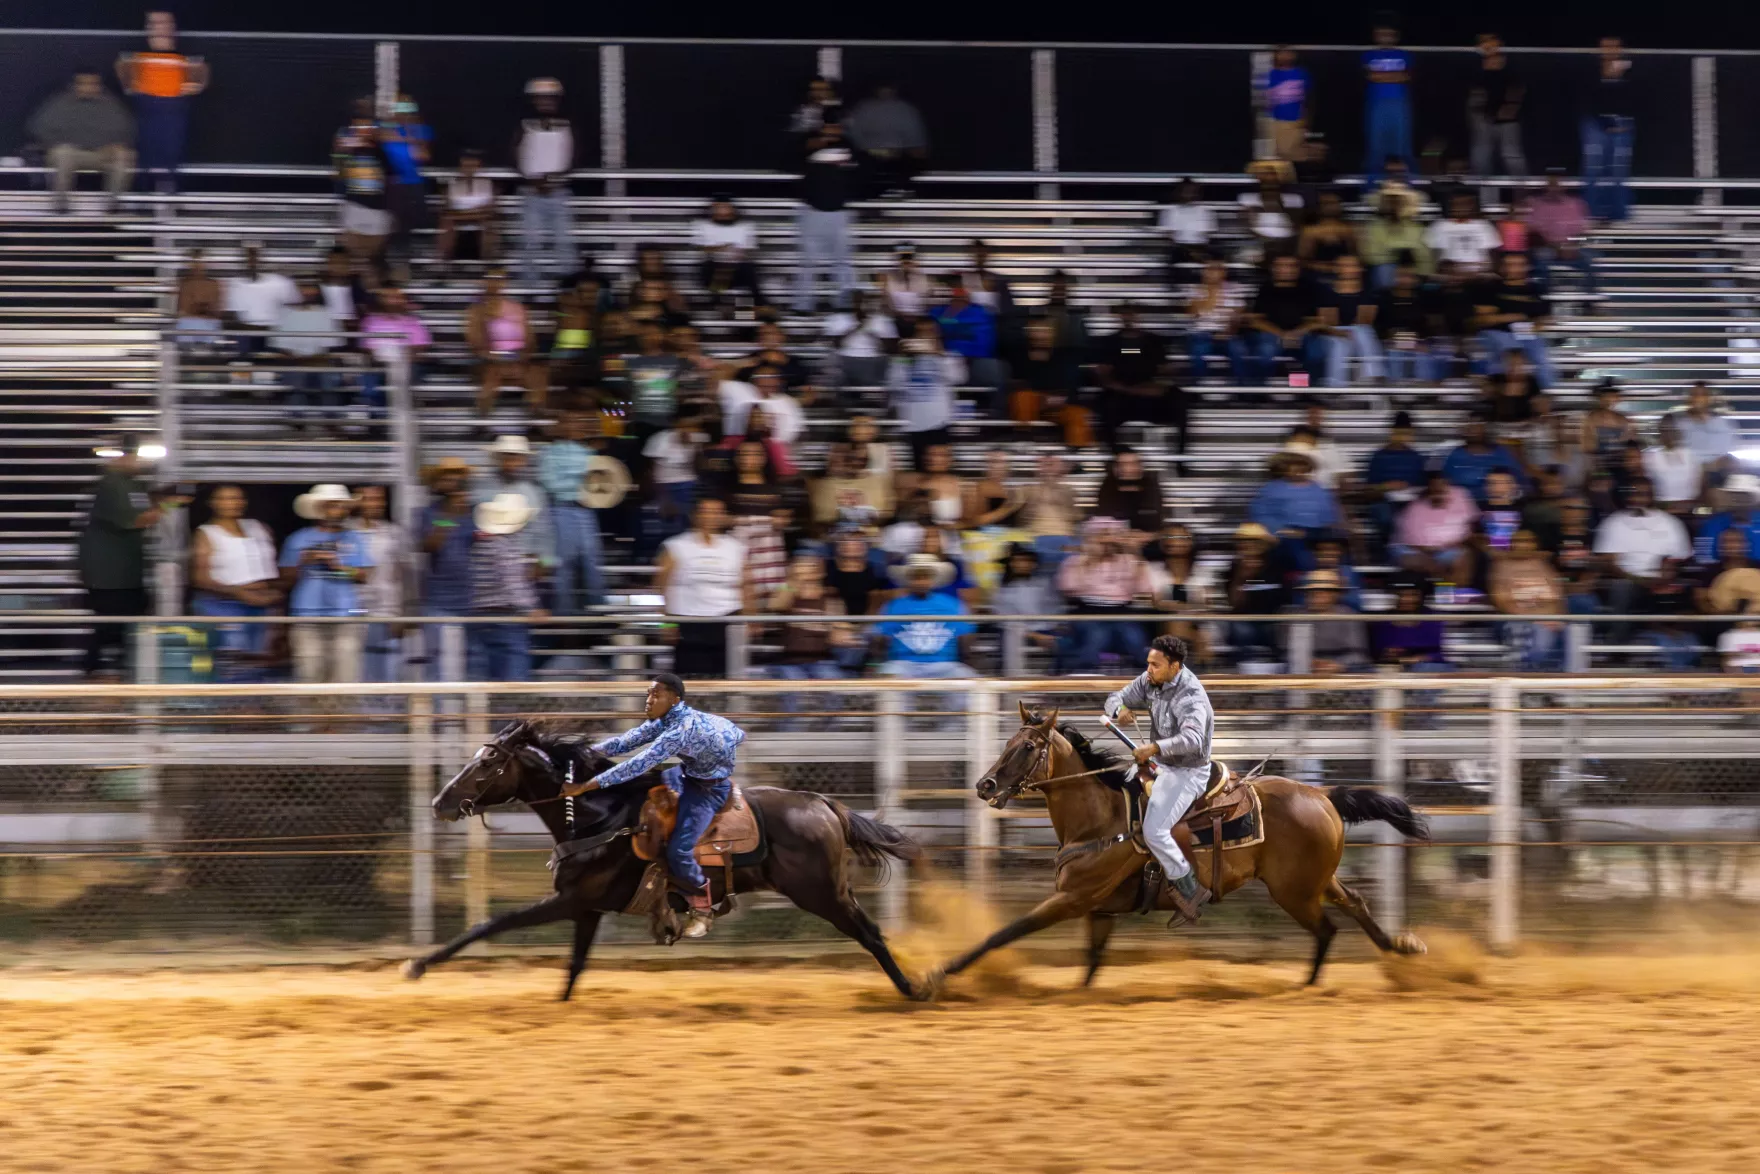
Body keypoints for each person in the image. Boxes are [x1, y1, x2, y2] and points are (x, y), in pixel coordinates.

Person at [563, 673, 746, 937]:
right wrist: (587, 752)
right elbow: (627, 741)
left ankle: (704, 906)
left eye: (655, 695)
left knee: (680, 851)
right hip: (687, 773)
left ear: (674, 699)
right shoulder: (668, 718)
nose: (648, 700)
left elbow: (639, 763)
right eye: (648, 694)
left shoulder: (680, 731)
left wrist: (586, 786)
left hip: (708, 790)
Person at [1104, 634, 1214, 924]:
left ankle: (1189, 888)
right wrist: (1120, 710)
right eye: (1148, 663)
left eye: (1155, 664)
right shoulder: (1150, 680)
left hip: (1187, 771)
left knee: (1154, 830)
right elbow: (1113, 698)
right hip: (1159, 765)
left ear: (1174, 666)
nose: (1148, 669)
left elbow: (1192, 739)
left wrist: (1154, 748)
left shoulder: (1191, 696)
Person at [78, 439, 160, 678]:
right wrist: (167, 506)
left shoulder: (134, 484)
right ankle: (91, 671)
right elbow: (134, 520)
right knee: (109, 623)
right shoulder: (111, 485)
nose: (142, 462)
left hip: (129, 572)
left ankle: (123, 671)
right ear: (123, 457)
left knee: (130, 619)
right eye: (138, 456)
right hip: (108, 574)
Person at [278, 484, 373, 684]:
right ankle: (310, 717)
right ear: (319, 508)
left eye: (342, 506)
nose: (338, 510)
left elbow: (363, 575)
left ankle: (343, 716)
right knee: (309, 673)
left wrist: (338, 566)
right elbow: (285, 579)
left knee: (346, 675)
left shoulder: (354, 538)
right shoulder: (298, 539)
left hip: (346, 615)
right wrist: (304, 560)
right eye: (333, 505)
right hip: (306, 615)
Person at [114, 11, 206, 193]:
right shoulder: (137, 50)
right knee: (146, 154)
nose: (159, 27)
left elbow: (201, 71)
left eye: (164, 22)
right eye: (154, 23)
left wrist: (195, 86)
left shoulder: (185, 52)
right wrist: (131, 86)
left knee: (171, 155)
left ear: (172, 26)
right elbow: (121, 66)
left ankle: (170, 196)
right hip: (147, 106)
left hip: (174, 108)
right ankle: (143, 198)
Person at [190, 485, 281, 671]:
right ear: (212, 503)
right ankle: (229, 701)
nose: (233, 503)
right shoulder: (206, 533)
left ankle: (253, 700)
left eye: (237, 498)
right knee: (231, 663)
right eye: (225, 498)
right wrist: (238, 592)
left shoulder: (258, 528)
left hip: (262, 605)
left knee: (258, 662)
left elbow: (271, 568)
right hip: (223, 606)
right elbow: (199, 577)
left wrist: (274, 595)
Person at [657, 498, 750, 678]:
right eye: (706, 511)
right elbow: (661, 587)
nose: (711, 516)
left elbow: (746, 585)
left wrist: (750, 618)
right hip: (688, 622)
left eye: (717, 512)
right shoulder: (675, 546)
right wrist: (667, 623)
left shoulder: (736, 547)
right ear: (695, 515)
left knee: (725, 678)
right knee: (688, 680)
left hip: (726, 621)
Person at [31, 70, 136, 213]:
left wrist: (116, 144)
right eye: (83, 83)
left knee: (124, 155)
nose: (88, 87)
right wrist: (58, 143)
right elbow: (38, 128)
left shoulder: (111, 105)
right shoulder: (61, 103)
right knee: (63, 153)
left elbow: (127, 130)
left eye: (93, 84)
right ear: (75, 85)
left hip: (101, 153)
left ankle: (113, 203)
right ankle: (61, 204)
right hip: (72, 153)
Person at [1056, 518, 1152, 674]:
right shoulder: (1076, 561)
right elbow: (1068, 587)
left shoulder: (1130, 561)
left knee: (1133, 638)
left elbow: (1144, 589)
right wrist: (1089, 561)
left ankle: (1149, 682)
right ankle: (1082, 678)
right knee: (1097, 635)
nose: (1106, 541)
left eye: (1110, 535)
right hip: (1087, 611)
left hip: (1121, 612)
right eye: (1101, 535)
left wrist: (1136, 556)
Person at [467, 493, 544, 682]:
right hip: (506, 617)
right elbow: (512, 582)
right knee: (513, 674)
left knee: (486, 673)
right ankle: (512, 709)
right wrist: (532, 607)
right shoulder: (506, 547)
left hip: (480, 615)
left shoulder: (480, 546)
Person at [537, 410, 608, 614]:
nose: (572, 426)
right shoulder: (549, 453)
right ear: (559, 425)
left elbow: (601, 480)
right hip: (562, 509)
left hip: (586, 510)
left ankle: (599, 611)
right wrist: (578, 490)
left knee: (592, 559)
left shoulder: (589, 453)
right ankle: (564, 614)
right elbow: (549, 482)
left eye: (576, 422)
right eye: (567, 421)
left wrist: (591, 494)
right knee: (565, 562)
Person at [1594, 477, 1692, 614]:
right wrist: (1637, 580)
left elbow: (1680, 558)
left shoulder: (1671, 523)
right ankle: (1618, 635)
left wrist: (1666, 575)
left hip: (1664, 582)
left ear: (1652, 496)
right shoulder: (1613, 523)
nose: (1638, 499)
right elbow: (1609, 562)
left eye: (1643, 494)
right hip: (1628, 582)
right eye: (1634, 494)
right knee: (1622, 588)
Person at [872, 553, 977, 680]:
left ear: (933, 579)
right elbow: (881, 639)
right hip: (903, 664)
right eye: (916, 577)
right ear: (909, 580)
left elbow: (965, 638)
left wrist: (966, 661)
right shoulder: (894, 606)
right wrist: (875, 663)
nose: (921, 582)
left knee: (969, 680)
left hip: (944, 664)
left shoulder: (953, 605)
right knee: (888, 676)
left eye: (925, 577)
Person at [797, 109, 858, 312]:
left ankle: (844, 303)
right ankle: (803, 305)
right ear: (822, 126)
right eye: (829, 125)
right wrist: (817, 143)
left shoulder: (848, 145)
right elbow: (790, 164)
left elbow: (859, 171)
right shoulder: (808, 143)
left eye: (836, 125)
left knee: (842, 261)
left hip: (839, 212)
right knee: (807, 263)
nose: (833, 129)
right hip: (811, 211)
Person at [1095, 304, 1177, 451]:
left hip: (1148, 393)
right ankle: (1115, 454)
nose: (1128, 317)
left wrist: (1160, 384)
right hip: (1120, 394)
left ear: (1138, 316)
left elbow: (1165, 369)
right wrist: (1120, 386)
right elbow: (1103, 371)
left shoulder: (1153, 341)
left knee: (1178, 399)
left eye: (1132, 314)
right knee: (1106, 406)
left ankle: (1180, 460)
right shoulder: (1109, 342)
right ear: (1119, 317)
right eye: (1125, 314)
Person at [515, 77, 575, 281]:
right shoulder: (524, 125)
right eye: (541, 98)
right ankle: (530, 288)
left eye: (550, 98)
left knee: (564, 240)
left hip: (559, 192)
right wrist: (532, 179)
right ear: (533, 101)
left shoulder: (568, 125)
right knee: (530, 241)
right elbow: (515, 155)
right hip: (532, 193)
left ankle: (568, 287)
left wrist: (555, 178)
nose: (546, 102)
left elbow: (575, 155)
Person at [465, 269, 542, 425]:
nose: (495, 283)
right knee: (491, 379)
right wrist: (499, 357)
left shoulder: (517, 307)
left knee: (538, 378)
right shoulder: (476, 310)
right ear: (484, 282)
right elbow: (475, 344)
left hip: (518, 359)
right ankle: (481, 425)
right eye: (491, 279)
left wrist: (519, 357)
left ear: (505, 282)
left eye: (499, 279)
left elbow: (530, 340)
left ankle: (535, 423)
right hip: (490, 361)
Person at [886, 317, 964, 470]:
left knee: (943, 471)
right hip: (913, 424)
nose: (925, 336)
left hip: (939, 423)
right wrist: (903, 358)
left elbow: (958, 378)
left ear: (938, 334)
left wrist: (939, 353)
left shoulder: (948, 356)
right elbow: (894, 383)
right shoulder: (903, 359)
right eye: (921, 332)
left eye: (930, 332)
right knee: (919, 473)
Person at [352, 484, 412, 683]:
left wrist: (401, 614)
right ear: (357, 502)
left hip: (386, 611)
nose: (374, 504)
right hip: (353, 610)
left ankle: (385, 713)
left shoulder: (393, 533)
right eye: (368, 499)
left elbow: (402, 574)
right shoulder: (347, 531)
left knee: (387, 669)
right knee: (356, 667)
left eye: (378, 499)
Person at [1234, 253, 1321, 385]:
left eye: (1291, 266)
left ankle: (1302, 391)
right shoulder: (1265, 290)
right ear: (1273, 269)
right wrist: (1282, 334)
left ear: (1298, 269)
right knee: (1266, 350)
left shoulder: (1307, 290)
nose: (1286, 269)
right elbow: (1255, 321)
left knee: (1315, 352)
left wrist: (1296, 333)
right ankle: (1258, 392)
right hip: (1270, 335)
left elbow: (1315, 321)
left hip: (1300, 335)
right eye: (1281, 266)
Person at [1475, 250, 1554, 388]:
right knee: (1509, 354)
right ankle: (1502, 395)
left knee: (1543, 361)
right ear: (1502, 267)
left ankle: (1544, 396)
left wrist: (1534, 323)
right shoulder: (1489, 287)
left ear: (1526, 267)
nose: (1514, 268)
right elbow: (1485, 319)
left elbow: (1545, 318)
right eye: (1510, 264)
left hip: (1527, 332)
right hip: (1496, 332)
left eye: (1519, 264)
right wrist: (1521, 316)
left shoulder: (1537, 289)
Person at [331, 100, 393, 263]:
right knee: (353, 250)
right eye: (359, 122)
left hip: (378, 203)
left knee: (374, 254)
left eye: (367, 122)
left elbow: (389, 172)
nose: (363, 126)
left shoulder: (382, 142)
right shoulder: (345, 139)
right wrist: (344, 153)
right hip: (354, 201)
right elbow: (339, 171)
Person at [1393, 469, 1480, 584]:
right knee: (1418, 560)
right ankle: (1443, 589)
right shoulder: (1416, 507)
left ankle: (1453, 594)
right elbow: (1413, 544)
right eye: (1434, 488)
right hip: (1418, 551)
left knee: (1466, 557)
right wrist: (1433, 553)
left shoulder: (1460, 495)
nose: (1439, 491)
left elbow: (1473, 523)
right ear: (1428, 489)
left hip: (1451, 549)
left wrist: (1462, 541)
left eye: (1442, 487)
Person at [1582, 37, 1635, 223]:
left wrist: (1623, 124)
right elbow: (1585, 97)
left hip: (1622, 122)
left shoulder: (1629, 67)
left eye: (1614, 46)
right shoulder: (1589, 69)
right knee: (1593, 169)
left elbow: (1637, 95)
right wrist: (1602, 122)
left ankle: (1618, 214)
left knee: (1619, 171)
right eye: (1605, 46)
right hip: (1595, 122)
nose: (1610, 50)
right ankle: (1592, 212)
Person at [846, 84, 928, 198]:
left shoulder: (905, 109)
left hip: (893, 163)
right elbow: (853, 137)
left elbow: (917, 146)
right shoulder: (863, 109)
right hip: (871, 162)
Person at [1468, 33, 1526, 183]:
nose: (1488, 46)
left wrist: (1511, 106)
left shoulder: (1510, 63)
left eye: (1491, 43)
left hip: (1507, 118)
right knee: (1481, 155)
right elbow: (1474, 92)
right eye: (1484, 43)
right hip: (1483, 117)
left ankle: (1521, 193)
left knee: (1511, 155)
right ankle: (1483, 195)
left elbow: (1518, 87)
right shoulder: (1476, 66)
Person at [1527, 169, 1594, 294]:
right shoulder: (1537, 204)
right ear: (1546, 186)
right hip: (1548, 247)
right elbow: (1533, 233)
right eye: (1551, 184)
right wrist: (1556, 247)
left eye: (1557, 184)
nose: (1554, 188)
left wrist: (1571, 246)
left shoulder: (1576, 204)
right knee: (1540, 257)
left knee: (1591, 257)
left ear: (1564, 186)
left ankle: (1590, 302)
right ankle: (1542, 300)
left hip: (1572, 247)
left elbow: (1584, 234)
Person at [1317, 255, 1381, 387]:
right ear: (1336, 269)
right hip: (1331, 333)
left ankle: (1368, 379)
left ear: (1360, 269)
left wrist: (1350, 331)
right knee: (1341, 343)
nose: (1348, 269)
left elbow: (1365, 320)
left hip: (1358, 332)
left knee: (1362, 331)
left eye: (1352, 265)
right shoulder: (1325, 292)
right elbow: (1328, 322)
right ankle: (1338, 386)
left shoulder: (1369, 292)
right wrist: (1341, 333)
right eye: (1344, 266)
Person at [1362, 18, 1414, 177]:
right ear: (1376, 36)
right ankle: (1372, 184)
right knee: (1376, 146)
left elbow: (1406, 77)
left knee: (1401, 144)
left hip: (1399, 104)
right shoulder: (1368, 55)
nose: (1385, 37)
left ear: (1395, 36)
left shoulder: (1404, 55)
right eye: (1381, 34)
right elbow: (1371, 76)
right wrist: (1393, 76)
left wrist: (1382, 75)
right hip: (1377, 104)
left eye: (1388, 34)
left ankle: (1405, 183)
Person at [693, 194, 762, 311]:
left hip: (737, 270)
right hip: (713, 270)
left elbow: (748, 250)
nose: (723, 211)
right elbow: (701, 249)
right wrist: (725, 248)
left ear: (733, 209)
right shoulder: (702, 226)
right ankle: (722, 304)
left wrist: (727, 252)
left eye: (726, 207)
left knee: (747, 269)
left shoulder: (746, 227)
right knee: (714, 267)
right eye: (719, 208)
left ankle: (746, 309)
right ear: (712, 209)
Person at [1184, 258, 1247, 382]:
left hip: (1227, 333)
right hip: (1200, 333)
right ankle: (1199, 387)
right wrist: (1210, 292)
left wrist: (1228, 332)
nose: (1213, 272)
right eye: (1209, 269)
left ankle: (1240, 389)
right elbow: (1193, 314)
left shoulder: (1236, 289)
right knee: (1198, 351)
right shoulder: (1194, 289)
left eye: (1217, 269)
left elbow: (1238, 316)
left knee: (1239, 350)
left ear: (1224, 272)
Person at [438, 148, 498, 263]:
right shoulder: (453, 184)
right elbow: (447, 211)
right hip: (458, 220)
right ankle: (443, 265)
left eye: (472, 164)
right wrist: (474, 212)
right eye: (466, 164)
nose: (469, 168)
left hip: (480, 220)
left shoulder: (487, 184)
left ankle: (489, 264)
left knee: (490, 226)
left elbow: (490, 210)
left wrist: (464, 213)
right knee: (446, 225)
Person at [1674, 382, 1739, 481]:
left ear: (1710, 399)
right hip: (1686, 476)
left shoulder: (1723, 423)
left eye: (1703, 395)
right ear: (1689, 399)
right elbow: (1675, 456)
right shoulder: (1679, 424)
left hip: (1717, 475)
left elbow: (1728, 454)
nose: (1698, 399)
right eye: (1695, 395)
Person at [1425, 194, 1502, 275]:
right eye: (1456, 204)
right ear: (1450, 206)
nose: (1461, 208)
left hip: (1478, 275)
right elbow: (1435, 256)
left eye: (1465, 204)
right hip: (1449, 275)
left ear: (1472, 206)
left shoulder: (1484, 225)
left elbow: (1492, 255)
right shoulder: (1440, 225)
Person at [1645, 415, 1702, 516]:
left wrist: (1687, 506)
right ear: (1660, 432)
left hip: (1688, 510)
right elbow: (1648, 489)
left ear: (1678, 431)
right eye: (1664, 430)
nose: (1668, 434)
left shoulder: (1691, 455)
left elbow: (1699, 486)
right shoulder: (1650, 456)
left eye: (1672, 429)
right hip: (1660, 510)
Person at [1262, 47, 1311, 162]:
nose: (1285, 56)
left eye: (1288, 52)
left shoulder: (1302, 73)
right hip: (1275, 121)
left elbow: (1309, 98)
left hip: (1296, 121)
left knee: (1295, 154)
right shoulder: (1271, 74)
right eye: (1282, 53)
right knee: (1279, 156)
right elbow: (1266, 99)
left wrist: (1306, 119)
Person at [1160, 179, 1218, 272]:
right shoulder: (1170, 210)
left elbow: (1209, 234)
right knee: (1173, 255)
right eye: (1185, 190)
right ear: (1178, 192)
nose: (1188, 193)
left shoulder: (1206, 210)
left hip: (1201, 247)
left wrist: (1196, 251)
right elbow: (1168, 235)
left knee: (1217, 255)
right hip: (1179, 248)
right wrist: (1189, 251)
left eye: (1191, 190)